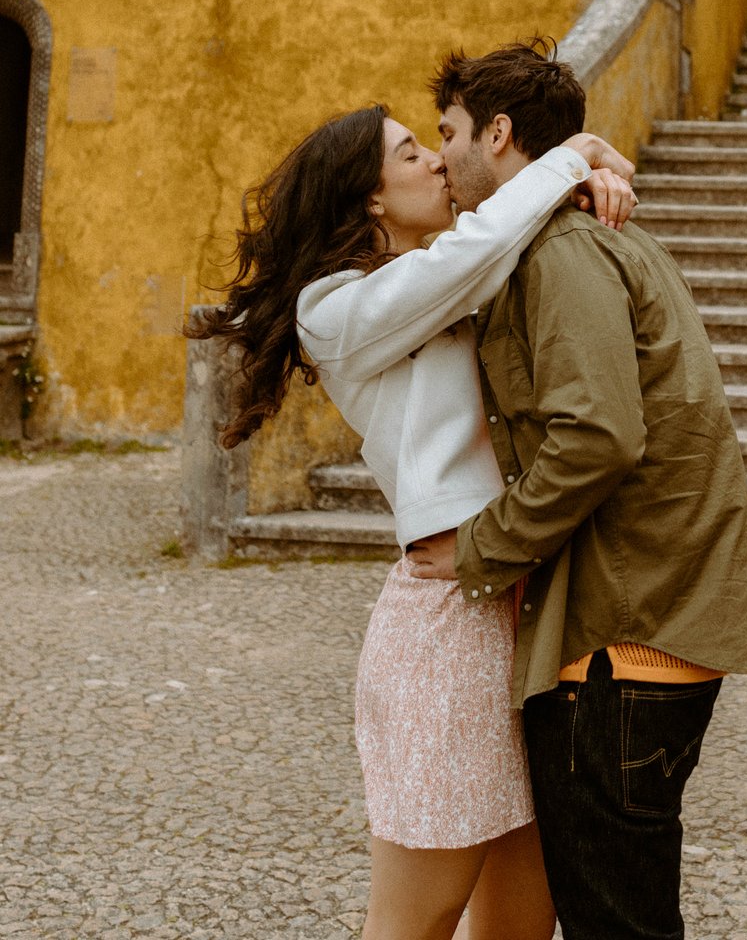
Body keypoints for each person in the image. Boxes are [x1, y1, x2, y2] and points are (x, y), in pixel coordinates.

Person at [187, 101, 636, 940]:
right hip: (448, 633)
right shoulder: (338, 309)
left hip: (527, 610)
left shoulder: (448, 276)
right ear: (369, 198)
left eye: (434, 145)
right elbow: (473, 250)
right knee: (412, 923)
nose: (438, 162)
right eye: (410, 153)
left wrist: (588, 187)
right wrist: (568, 157)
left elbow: (498, 250)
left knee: (520, 921)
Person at [409, 41, 747, 940]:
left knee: (617, 920)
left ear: (495, 133)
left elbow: (598, 435)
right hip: (637, 627)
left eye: (445, 133)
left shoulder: (562, 249)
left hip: (623, 637)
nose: (438, 156)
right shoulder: (564, 235)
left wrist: (480, 548)